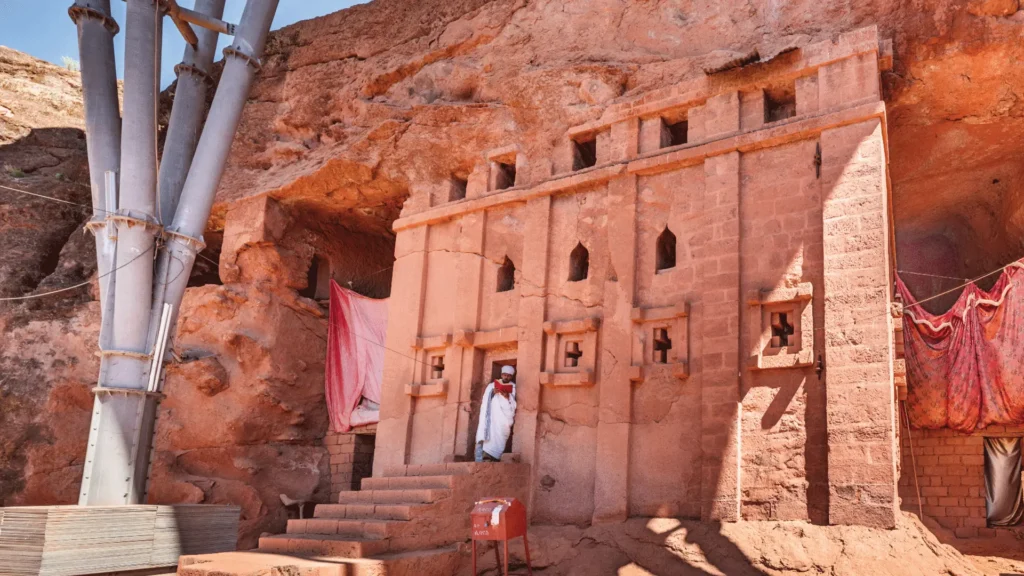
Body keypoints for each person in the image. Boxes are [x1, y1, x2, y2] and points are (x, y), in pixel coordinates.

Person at [475, 365, 517, 462]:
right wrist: (493, 393)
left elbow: (513, 405)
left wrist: (507, 397)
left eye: (508, 376)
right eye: (504, 375)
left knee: (502, 433)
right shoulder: (491, 386)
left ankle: (495, 457)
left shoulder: (513, 387)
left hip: (503, 418)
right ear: (501, 375)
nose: (506, 377)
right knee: (488, 435)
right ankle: (484, 457)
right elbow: (485, 401)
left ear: (511, 377)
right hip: (491, 417)